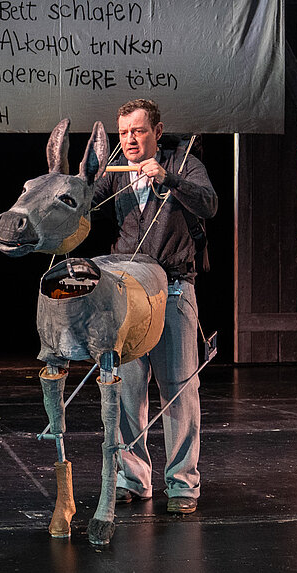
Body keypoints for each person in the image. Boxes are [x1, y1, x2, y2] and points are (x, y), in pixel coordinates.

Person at [89, 99, 218, 514]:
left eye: (138, 131)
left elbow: (209, 203)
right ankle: (132, 477)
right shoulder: (115, 172)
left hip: (174, 289)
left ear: (157, 133)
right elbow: (86, 203)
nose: (129, 139)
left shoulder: (183, 163)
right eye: (124, 132)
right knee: (127, 389)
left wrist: (169, 179)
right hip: (126, 293)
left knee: (179, 388)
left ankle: (182, 483)